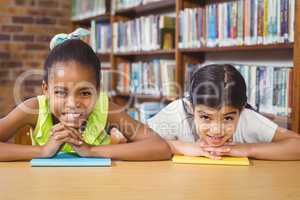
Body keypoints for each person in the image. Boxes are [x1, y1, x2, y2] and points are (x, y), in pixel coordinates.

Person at [0, 29, 171, 161]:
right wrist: (42, 150)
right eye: (60, 92)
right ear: (46, 90)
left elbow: (159, 146)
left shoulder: (105, 109)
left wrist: (91, 150)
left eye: (84, 92)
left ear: (97, 91)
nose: (73, 103)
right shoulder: (33, 108)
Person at [147, 64, 300, 160]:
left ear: (240, 110)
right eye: (206, 117)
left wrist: (247, 149)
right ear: (191, 107)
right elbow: (136, 142)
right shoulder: (176, 112)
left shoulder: (248, 118)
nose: (216, 130)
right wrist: (177, 147)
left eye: (228, 118)